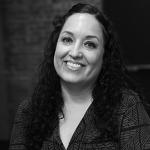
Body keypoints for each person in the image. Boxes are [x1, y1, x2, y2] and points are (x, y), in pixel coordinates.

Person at [9, 3, 150, 150]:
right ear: (55, 46)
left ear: (104, 56)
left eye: (89, 44)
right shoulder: (28, 111)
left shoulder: (126, 106)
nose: (75, 53)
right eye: (67, 39)